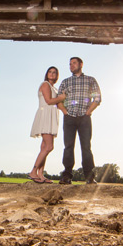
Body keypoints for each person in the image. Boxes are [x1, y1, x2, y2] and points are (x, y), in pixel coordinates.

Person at [57, 56, 102, 185]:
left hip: (84, 118)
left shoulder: (90, 80)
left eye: (74, 63)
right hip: (69, 118)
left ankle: (89, 177)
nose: (71, 65)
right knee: (68, 147)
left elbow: (97, 98)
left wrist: (88, 112)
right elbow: (59, 100)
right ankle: (67, 175)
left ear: (81, 64)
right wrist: (65, 112)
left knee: (86, 147)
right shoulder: (66, 82)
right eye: (70, 64)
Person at [28, 67, 68, 183]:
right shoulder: (45, 84)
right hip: (45, 115)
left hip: (51, 116)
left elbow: (57, 103)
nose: (52, 74)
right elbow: (49, 101)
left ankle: (40, 174)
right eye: (50, 72)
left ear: (57, 76)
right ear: (47, 74)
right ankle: (33, 171)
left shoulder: (54, 88)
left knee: (44, 147)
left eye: (54, 72)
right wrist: (61, 98)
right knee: (49, 147)